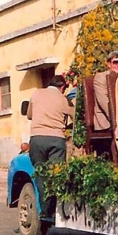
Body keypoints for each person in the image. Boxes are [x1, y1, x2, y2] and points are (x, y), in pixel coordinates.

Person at [27, 74, 75, 223]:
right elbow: (75, 116)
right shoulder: (63, 99)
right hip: (56, 140)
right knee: (56, 175)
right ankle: (54, 210)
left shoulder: (36, 93)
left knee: (41, 175)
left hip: (37, 139)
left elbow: (29, 115)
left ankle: (45, 211)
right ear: (62, 87)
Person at [93, 50, 118, 131]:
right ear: (108, 64)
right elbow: (104, 102)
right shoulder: (101, 78)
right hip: (106, 121)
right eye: (115, 62)